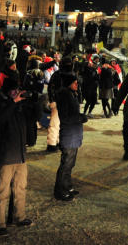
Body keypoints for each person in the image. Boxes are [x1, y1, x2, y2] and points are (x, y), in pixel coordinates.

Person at [0, 75, 33, 237]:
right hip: (6, 154)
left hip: (20, 154)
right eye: (14, 90)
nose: (17, 92)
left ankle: (18, 216)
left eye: (18, 90)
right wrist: (13, 103)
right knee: (1, 190)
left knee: (20, 187)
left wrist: (35, 101)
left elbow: (31, 119)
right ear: (7, 91)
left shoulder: (19, 105)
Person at [54, 73, 85, 201]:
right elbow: (66, 118)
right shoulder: (64, 95)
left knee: (70, 164)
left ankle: (67, 186)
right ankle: (60, 191)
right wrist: (80, 118)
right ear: (68, 84)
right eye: (74, 82)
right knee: (66, 164)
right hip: (69, 134)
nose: (77, 84)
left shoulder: (71, 94)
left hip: (74, 133)